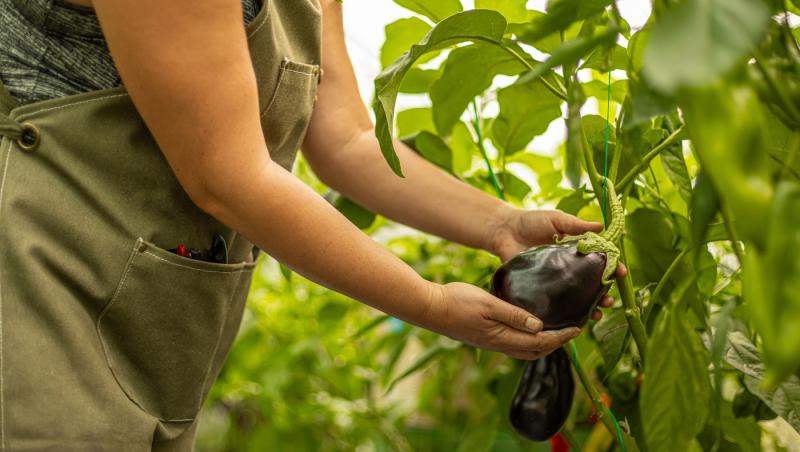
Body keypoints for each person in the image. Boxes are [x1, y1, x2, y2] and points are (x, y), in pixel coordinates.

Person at [0, 0, 625, 450]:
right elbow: (226, 175)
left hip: (149, 319)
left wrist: (502, 223)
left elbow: (348, 139)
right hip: (42, 279)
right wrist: (431, 302)